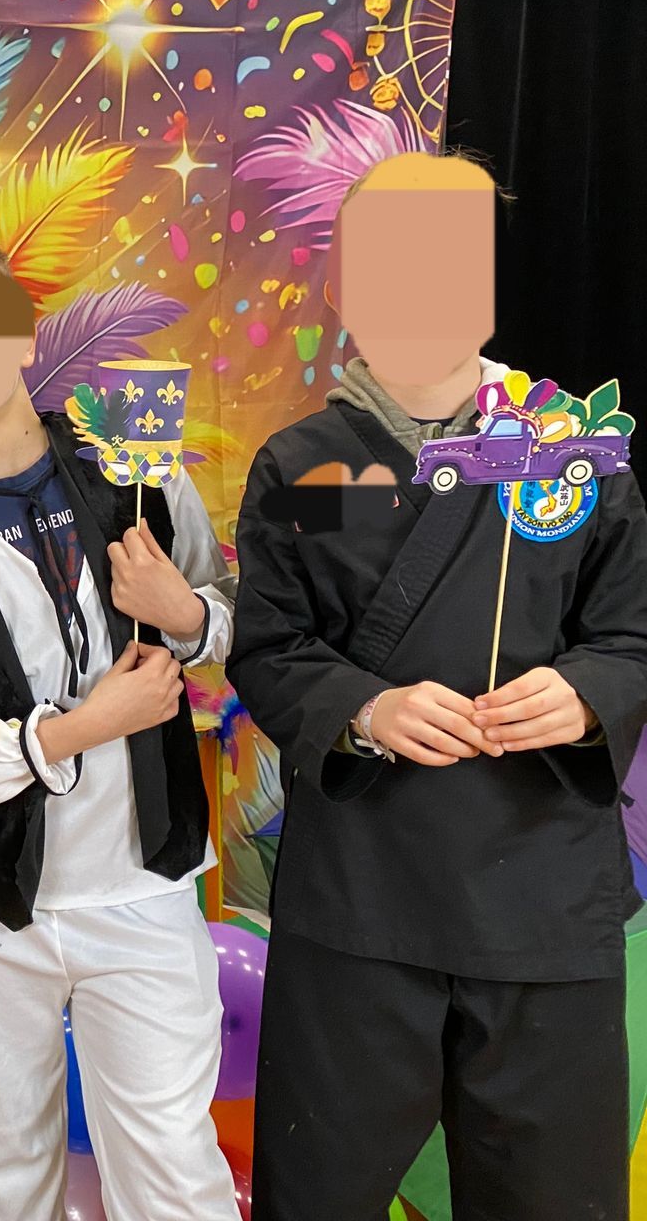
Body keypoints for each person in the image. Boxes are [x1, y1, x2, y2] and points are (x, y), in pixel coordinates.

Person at [229, 152, 647, 1219]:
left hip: (540, 894)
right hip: (362, 899)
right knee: (319, 1193)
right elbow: (270, 649)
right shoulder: (307, 467)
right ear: (342, 286)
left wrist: (584, 694)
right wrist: (367, 709)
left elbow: (629, 635)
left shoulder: (574, 454)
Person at [0, 232, 238, 1220]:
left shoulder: (135, 470)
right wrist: (84, 727)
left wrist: (185, 614)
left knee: (172, 1171)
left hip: (144, 883)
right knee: (3, 1178)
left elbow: (233, 620)